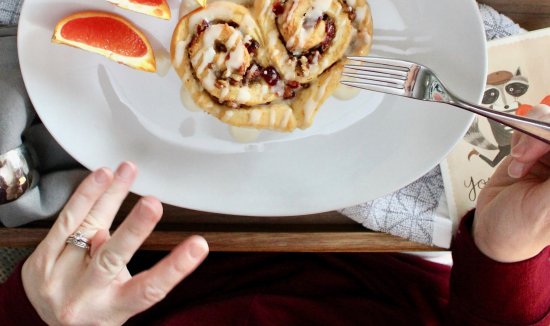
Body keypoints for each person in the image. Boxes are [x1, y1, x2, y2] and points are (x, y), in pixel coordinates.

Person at [0, 105, 548, 325]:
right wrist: (507, 255)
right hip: (403, 248)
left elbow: (47, 303)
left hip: (138, 257)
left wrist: (49, 314)